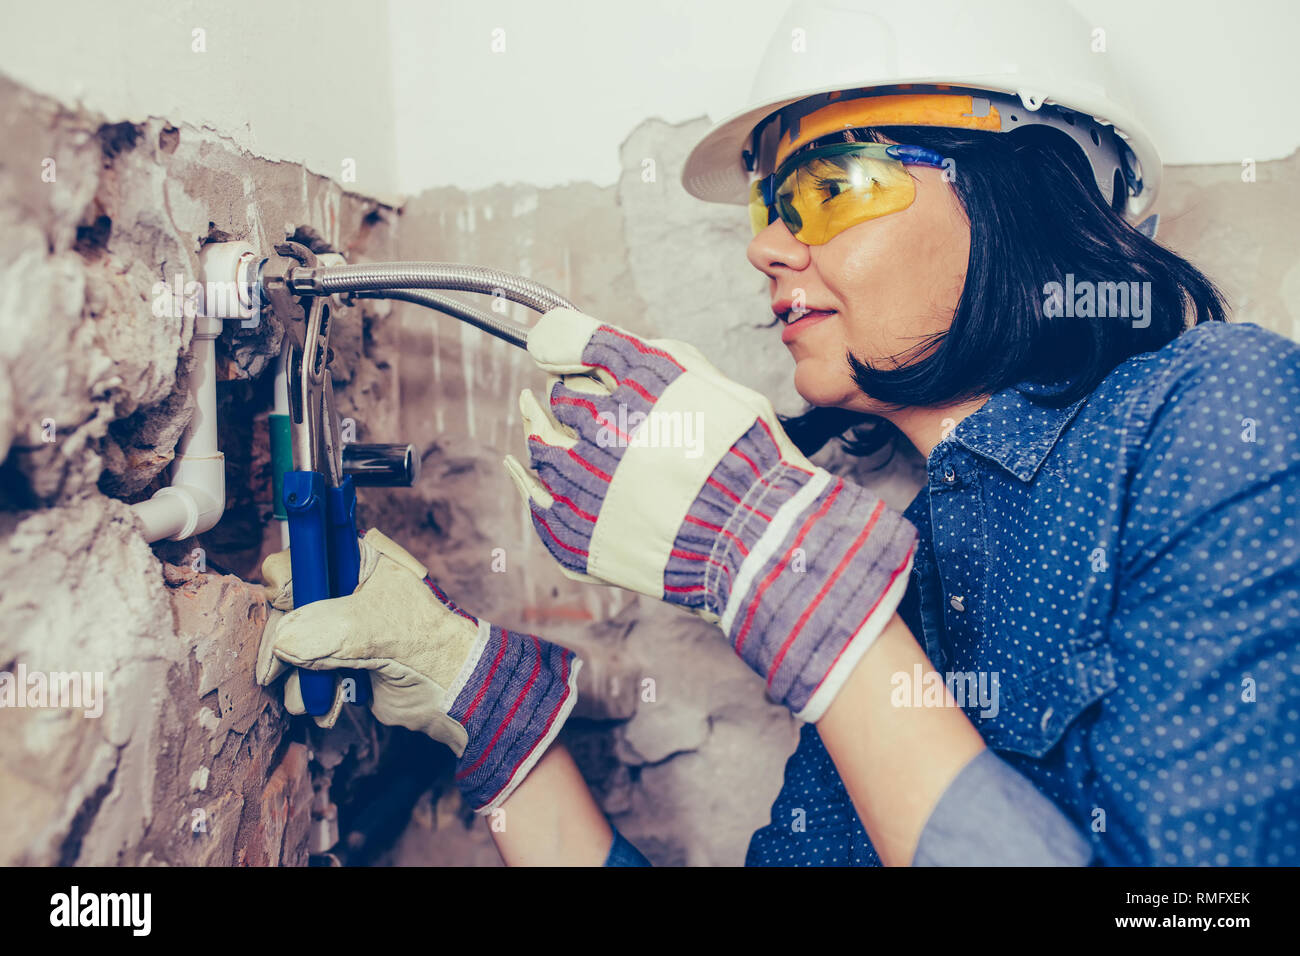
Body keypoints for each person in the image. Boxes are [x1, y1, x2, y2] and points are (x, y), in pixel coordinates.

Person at [255, 0, 1300, 866]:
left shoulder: (1217, 411)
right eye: (770, 199)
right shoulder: (916, 579)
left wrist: (784, 568)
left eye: (831, 188)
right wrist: (479, 696)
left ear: (1030, 189)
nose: (765, 244)